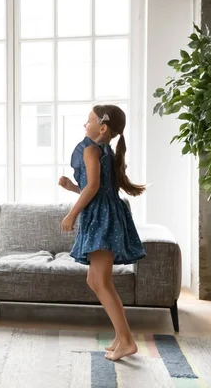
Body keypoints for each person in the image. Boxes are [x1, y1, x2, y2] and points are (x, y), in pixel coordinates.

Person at [58, 104, 146, 361]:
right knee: (96, 281)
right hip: (106, 213)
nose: (85, 125)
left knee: (101, 282)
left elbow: (94, 186)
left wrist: (72, 214)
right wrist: (73, 187)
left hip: (101, 218)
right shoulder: (104, 150)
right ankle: (121, 336)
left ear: (102, 127)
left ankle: (127, 340)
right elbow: (98, 188)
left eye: (88, 121)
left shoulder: (90, 149)